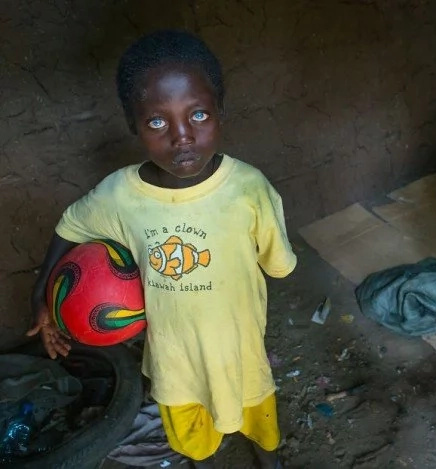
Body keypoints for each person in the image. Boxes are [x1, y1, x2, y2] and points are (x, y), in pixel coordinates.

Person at [26, 30, 295, 469]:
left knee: (261, 423)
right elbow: (71, 226)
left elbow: (277, 263)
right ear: (134, 125)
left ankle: (270, 462)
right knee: (194, 440)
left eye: (199, 114)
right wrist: (41, 297)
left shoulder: (249, 188)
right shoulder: (120, 196)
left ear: (220, 113)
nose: (182, 136)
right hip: (175, 363)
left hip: (241, 352)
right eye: (157, 122)